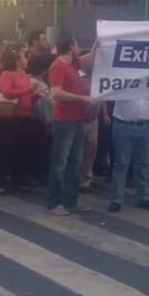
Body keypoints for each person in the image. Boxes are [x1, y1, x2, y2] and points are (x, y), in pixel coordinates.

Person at [46, 35, 95, 216]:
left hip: (77, 119)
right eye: (75, 44)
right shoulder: (58, 67)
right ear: (71, 47)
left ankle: (71, 201)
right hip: (65, 120)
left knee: (75, 162)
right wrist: (82, 98)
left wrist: (97, 44)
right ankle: (54, 202)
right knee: (60, 163)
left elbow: (89, 58)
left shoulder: (72, 64)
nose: (77, 47)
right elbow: (57, 93)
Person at [0, 44, 37, 193]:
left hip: (25, 116)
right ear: (17, 60)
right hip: (10, 118)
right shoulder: (6, 74)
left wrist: (37, 94)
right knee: (5, 149)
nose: (27, 59)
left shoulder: (25, 75)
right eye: (24, 56)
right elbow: (7, 92)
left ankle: (20, 177)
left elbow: (27, 95)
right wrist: (29, 89)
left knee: (23, 149)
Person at [108, 97, 149, 213]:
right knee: (121, 164)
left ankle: (143, 197)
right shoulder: (123, 78)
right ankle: (116, 199)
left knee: (142, 163)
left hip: (145, 124)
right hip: (123, 124)